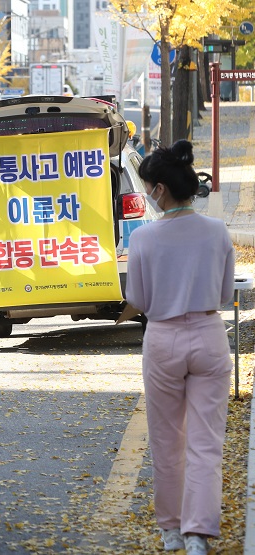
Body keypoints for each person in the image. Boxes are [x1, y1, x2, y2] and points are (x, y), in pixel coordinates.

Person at [125, 140, 235, 555]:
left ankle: (170, 530)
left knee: (167, 441)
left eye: (147, 186)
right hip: (208, 335)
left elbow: (140, 298)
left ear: (160, 190)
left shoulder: (144, 239)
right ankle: (197, 534)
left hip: (164, 339)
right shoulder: (217, 231)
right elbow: (225, 293)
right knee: (206, 441)